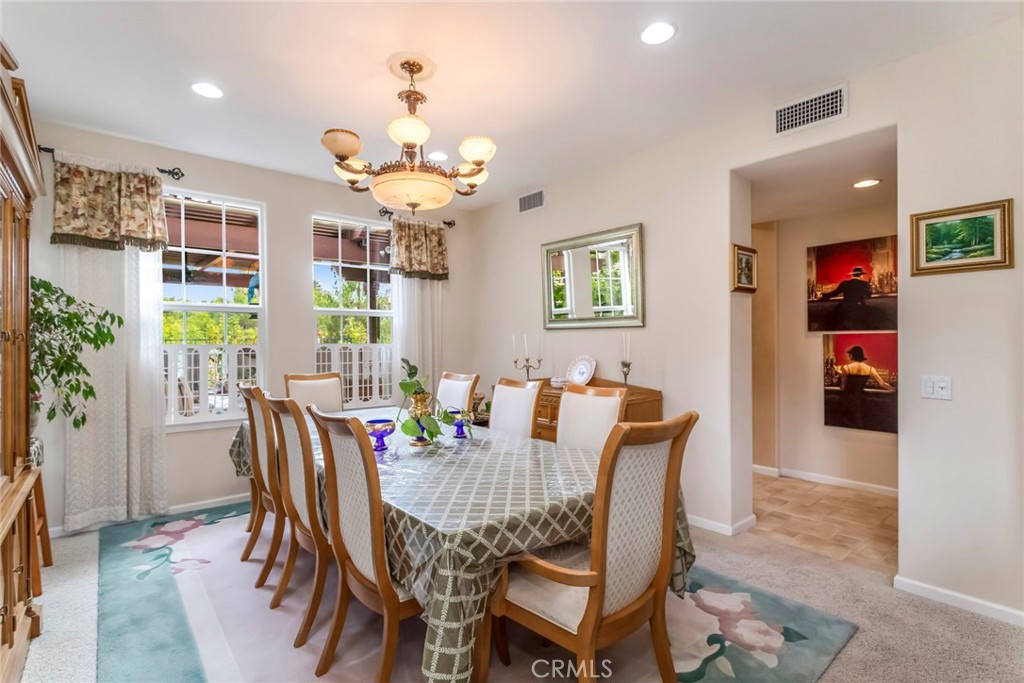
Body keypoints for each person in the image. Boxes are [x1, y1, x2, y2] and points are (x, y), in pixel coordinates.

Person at [837, 345, 893, 429]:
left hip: (848, 400)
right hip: (860, 399)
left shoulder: (846, 368)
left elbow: (843, 387)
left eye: (850, 354)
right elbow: (882, 383)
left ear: (852, 355)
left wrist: (840, 374)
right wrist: (892, 389)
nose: (849, 356)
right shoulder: (870, 369)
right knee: (859, 422)